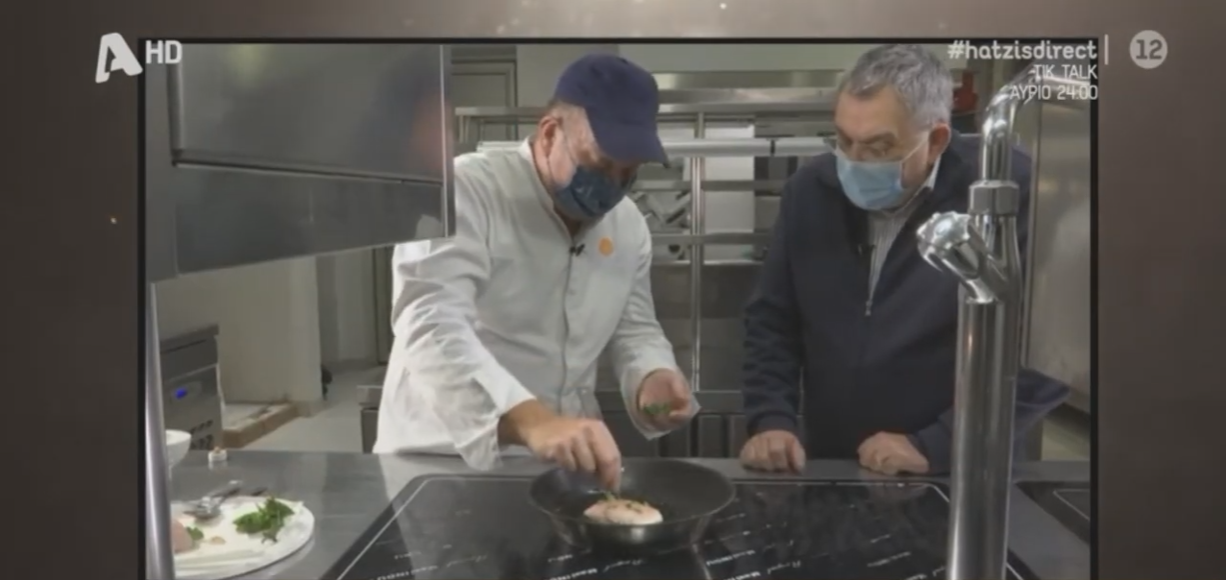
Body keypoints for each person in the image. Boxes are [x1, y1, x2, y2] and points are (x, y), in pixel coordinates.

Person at [738, 45, 1069, 475]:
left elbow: (1050, 356)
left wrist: (938, 444)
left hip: (960, 470)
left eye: (878, 147)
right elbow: (772, 319)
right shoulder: (810, 191)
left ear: (936, 141)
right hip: (835, 465)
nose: (854, 162)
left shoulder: (1008, 193)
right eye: (843, 140)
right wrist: (771, 418)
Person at [373, 53, 697, 489]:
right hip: (442, 462)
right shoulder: (467, 191)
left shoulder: (628, 226)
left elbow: (634, 328)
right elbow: (430, 321)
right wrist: (532, 421)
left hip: (561, 465)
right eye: (601, 164)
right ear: (549, 134)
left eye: (629, 173)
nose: (613, 186)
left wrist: (652, 376)